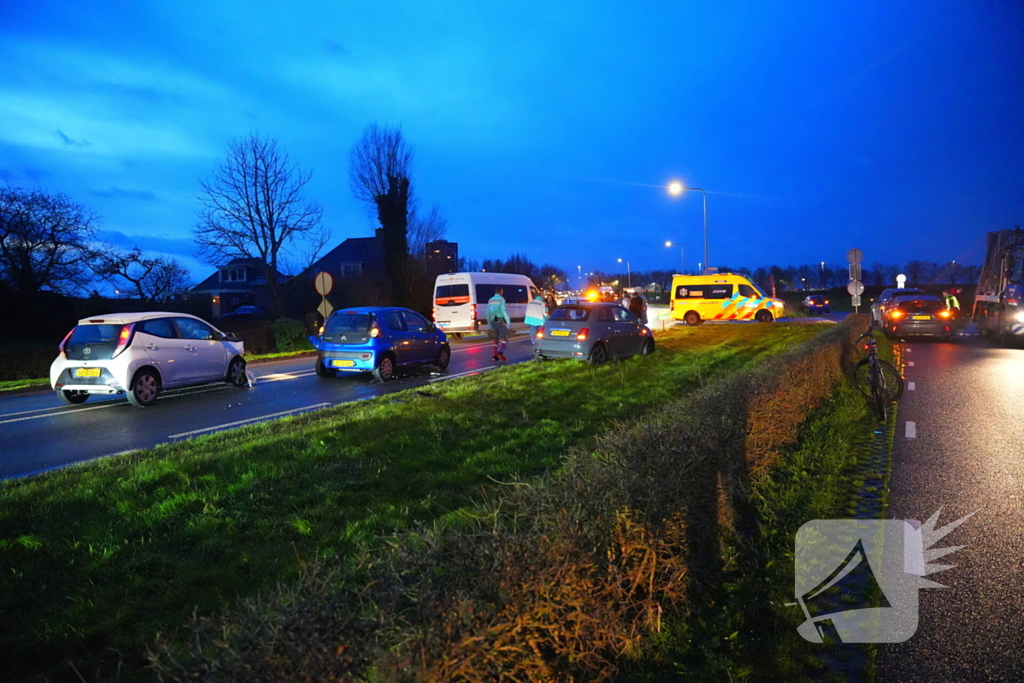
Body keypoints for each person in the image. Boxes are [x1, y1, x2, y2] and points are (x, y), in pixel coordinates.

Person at [487, 286, 511, 361]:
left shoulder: (490, 300)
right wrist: (508, 320)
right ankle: (500, 352)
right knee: (505, 337)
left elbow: (487, 312)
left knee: (496, 338)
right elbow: (503, 310)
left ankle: (494, 356)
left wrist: (489, 323)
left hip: (493, 320)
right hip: (500, 320)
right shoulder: (501, 299)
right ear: (501, 291)